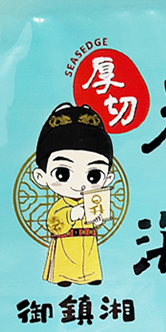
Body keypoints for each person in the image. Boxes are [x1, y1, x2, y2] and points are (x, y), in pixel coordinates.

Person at [31, 103, 115, 287]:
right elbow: (54, 224)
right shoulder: (61, 205)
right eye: (63, 174)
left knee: (89, 262)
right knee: (65, 266)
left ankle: (91, 276)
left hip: (88, 240)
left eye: (94, 175)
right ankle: (63, 277)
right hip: (66, 243)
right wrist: (71, 214)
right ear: (41, 176)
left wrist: (97, 219)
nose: (80, 184)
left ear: (107, 178)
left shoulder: (93, 200)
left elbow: (96, 219)